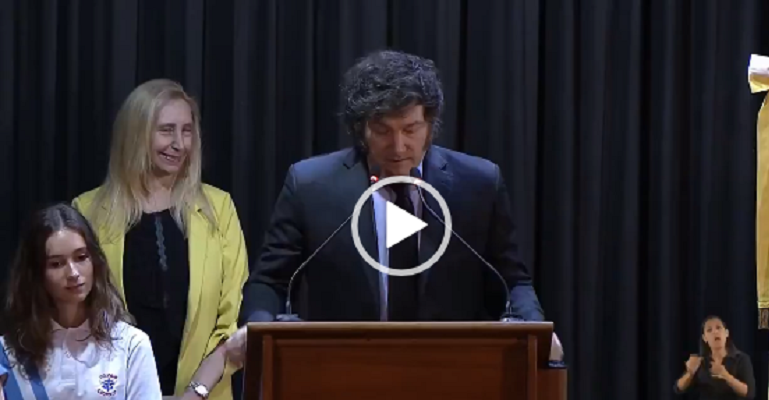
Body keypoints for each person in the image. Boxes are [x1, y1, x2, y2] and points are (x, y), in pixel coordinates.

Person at [239, 49, 562, 357]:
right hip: (345, 366)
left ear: (430, 126)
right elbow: (270, 281)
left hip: (453, 368)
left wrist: (535, 329)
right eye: (382, 131)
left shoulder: (478, 184)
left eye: (411, 129)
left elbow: (511, 281)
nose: (398, 146)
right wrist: (258, 325)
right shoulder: (312, 185)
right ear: (361, 129)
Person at [72, 79, 249, 400]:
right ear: (136, 135)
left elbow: (232, 319)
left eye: (187, 131)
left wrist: (195, 392)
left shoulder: (219, 208)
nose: (179, 144)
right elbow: (76, 316)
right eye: (167, 130)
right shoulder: (87, 212)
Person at [0, 204, 161, 398]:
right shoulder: (7, 354)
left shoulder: (131, 345)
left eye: (81, 257)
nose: (73, 273)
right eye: (56, 264)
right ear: (35, 274)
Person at [675, 315, 756, 399]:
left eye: (718, 328)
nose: (715, 332)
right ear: (705, 338)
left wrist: (726, 376)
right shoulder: (701, 361)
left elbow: (749, 393)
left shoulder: (741, 359)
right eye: (709, 330)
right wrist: (690, 373)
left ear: (726, 333)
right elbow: (678, 388)